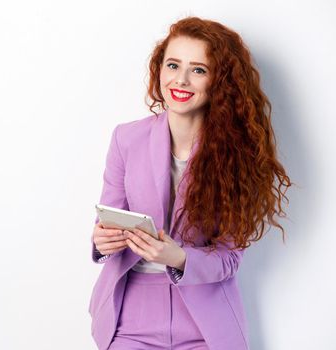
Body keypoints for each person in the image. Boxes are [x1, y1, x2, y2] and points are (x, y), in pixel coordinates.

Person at [88, 17, 292, 350]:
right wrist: (101, 239)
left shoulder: (239, 152)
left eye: (198, 69)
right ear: (159, 69)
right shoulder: (126, 139)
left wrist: (178, 256)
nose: (180, 79)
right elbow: (106, 222)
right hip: (128, 316)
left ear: (219, 81)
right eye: (173, 65)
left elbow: (228, 259)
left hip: (205, 325)